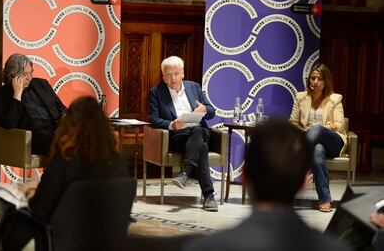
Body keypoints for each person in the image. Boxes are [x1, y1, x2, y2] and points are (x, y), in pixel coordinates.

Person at [183, 119, 352, 251]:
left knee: (319, 150)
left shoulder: (204, 248)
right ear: (304, 181)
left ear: (245, 177)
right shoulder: (336, 248)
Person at [0, 96, 129, 250]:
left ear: (70, 124)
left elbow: (39, 211)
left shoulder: (64, 161)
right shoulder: (119, 163)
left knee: (5, 214)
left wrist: (30, 195)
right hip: (103, 239)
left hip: (60, 240)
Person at [149, 55, 218, 212]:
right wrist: (172, 124)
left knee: (198, 129)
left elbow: (212, 111)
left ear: (182, 73)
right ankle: (209, 196)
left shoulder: (194, 87)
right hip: (178, 136)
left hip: (199, 131)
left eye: (176, 73)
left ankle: (185, 173)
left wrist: (204, 109)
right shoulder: (156, 92)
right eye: (168, 74)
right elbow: (154, 119)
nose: (172, 78)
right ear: (163, 76)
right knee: (202, 147)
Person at [289, 64, 347, 212]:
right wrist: (303, 130)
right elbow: (292, 122)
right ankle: (325, 199)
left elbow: (340, 125)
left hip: (333, 141)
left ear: (325, 81)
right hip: (312, 141)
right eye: (312, 78)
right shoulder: (301, 97)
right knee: (317, 150)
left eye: (319, 79)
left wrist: (322, 128)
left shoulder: (335, 99)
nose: (315, 81)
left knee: (317, 129)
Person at [0, 53, 66, 155]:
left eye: (31, 72)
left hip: (55, 128)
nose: (30, 78)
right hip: (32, 137)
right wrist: (17, 94)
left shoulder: (42, 84)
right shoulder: (1, 95)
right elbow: (9, 124)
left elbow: (61, 108)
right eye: (25, 74)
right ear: (13, 75)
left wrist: (64, 117)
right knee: (52, 140)